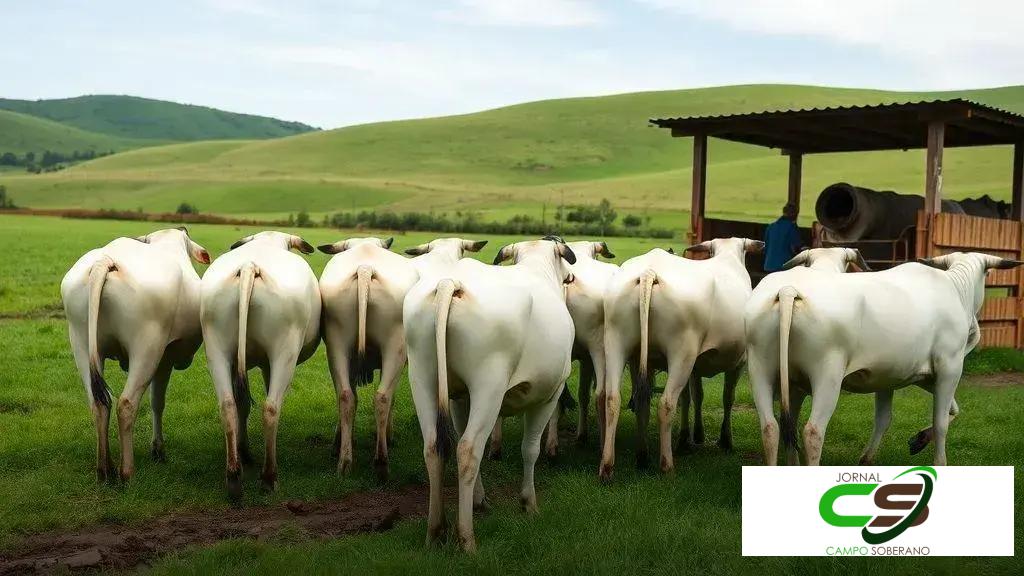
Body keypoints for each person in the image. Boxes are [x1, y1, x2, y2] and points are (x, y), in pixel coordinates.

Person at [763, 203, 802, 272]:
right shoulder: (791, 228)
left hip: (768, 266)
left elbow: (766, 247)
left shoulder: (771, 227)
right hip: (784, 267)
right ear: (794, 214)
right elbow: (795, 248)